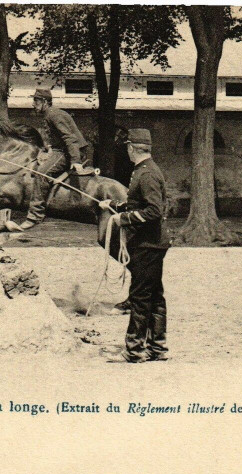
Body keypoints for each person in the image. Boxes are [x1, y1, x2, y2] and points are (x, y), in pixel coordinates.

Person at [98, 129, 171, 363]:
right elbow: (137, 204)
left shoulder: (146, 174)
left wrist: (124, 219)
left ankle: (134, 350)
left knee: (140, 297)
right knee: (154, 296)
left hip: (148, 244)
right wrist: (114, 205)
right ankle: (157, 348)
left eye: (127, 147)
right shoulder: (145, 170)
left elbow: (153, 211)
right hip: (153, 243)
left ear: (132, 148)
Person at [7, 88, 89, 232]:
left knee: (41, 174)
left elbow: (69, 138)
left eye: (36, 101)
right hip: (61, 150)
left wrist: (75, 160)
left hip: (68, 152)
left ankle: (35, 216)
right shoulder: (49, 114)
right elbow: (56, 139)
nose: (33, 104)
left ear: (44, 102)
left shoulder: (54, 115)